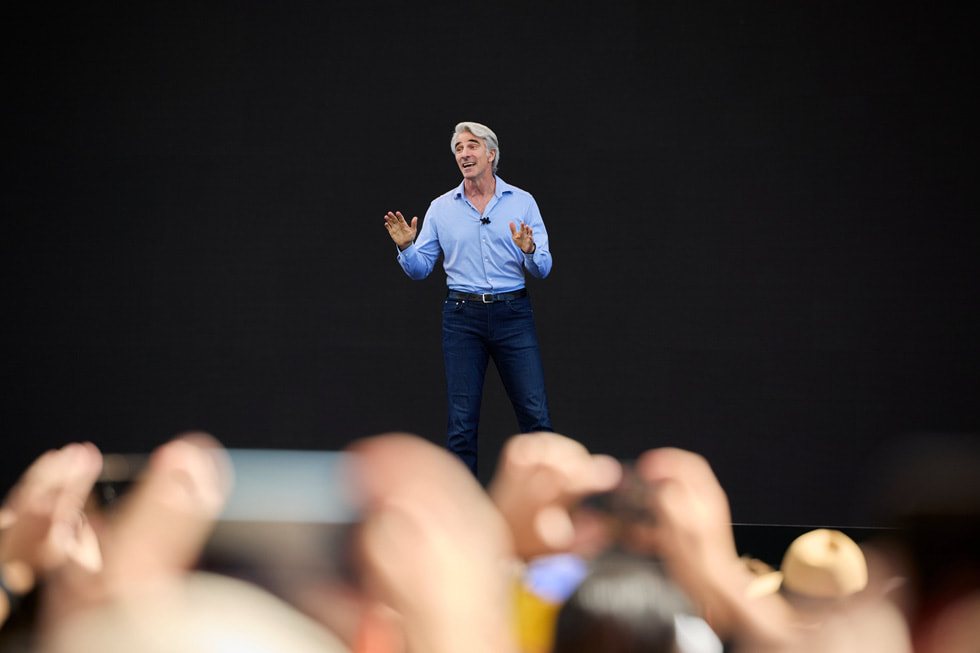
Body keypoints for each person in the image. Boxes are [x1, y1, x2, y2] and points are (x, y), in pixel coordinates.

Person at [384, 121, 554, 475]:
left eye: (472, 146)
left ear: (491, 154)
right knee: (461, 424)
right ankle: (464, 516)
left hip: (512, 313)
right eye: (459, 149)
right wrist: (405, 247)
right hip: (463, 317)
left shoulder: (522, 202)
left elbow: (543, 268)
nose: (464, 153)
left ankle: (547, 505)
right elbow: (420, 269)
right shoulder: (442, 208)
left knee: (536, 417)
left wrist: (530, 249)